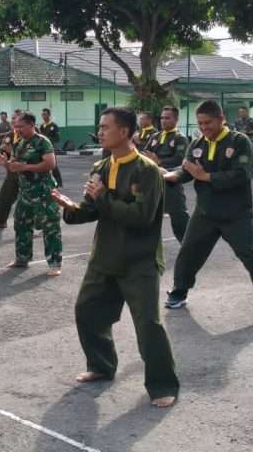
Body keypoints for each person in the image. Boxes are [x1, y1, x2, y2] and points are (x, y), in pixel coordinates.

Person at [53, 106, 179, 408]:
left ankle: (163, 385)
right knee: (87, 311)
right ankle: (101, 365)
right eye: (100, 127)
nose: (100, 132)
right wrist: (70, 208)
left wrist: (103, 198)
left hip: (139, 260)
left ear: (124, 132)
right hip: (105, 256)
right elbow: (91, 209)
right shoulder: (100, 167)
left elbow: (141, 217)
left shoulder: (147, 170)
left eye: (105, 127)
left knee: (148, 325)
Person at [162, 100, 253, 326]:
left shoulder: (239, 141)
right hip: (205, 213)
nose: (204, 127)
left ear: (221, 119)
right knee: (188, 253)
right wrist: (171, 175)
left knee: (252, 257)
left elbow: (242, 174)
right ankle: (179, 293)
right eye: (200, 123)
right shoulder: (197, 143)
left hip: (236, 214)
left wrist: (206, 177)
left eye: (208, 122)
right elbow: (187, 170)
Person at [1, 111, 62, 275]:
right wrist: (6, 164)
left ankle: (54, 263)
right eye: (16, 126)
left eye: (21, 126)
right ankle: (22, 258)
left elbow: (50, 164)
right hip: (25, 192)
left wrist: (25, 167)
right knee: (21, 224)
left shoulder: (42, 142)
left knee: (50, 226)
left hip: (43, 192)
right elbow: (15, 166)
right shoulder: (19, 143)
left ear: (31, 125)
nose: (17, 129)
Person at [141, 105, 190, 241]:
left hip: (171, 184)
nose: (163, 121)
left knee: (179, 219)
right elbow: (145, 155)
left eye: (167, 118)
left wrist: (159, 161)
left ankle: (189, 247)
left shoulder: (180, 138)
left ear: (176, 119)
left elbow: (179, 160)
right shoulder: (155, 136)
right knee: (147, 218)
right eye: (162, 118)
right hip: (152, 183)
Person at [0, 117, 20, 229]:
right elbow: (2, 153)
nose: (14, 123)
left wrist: (11, 150)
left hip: (29, 174)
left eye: (17, 120)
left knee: (33, 201)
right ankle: (1, 222)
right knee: (4, 197)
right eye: (13, 120)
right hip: (12, 173)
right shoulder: (10, 136)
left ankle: (43, 226)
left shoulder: (32, 135)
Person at [39, 108, 64, 188]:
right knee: (43, 164)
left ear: (49, 115)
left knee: (53, 165)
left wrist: (48, 140)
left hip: (50, 147)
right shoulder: (42, 126)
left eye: (45, 114)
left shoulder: (54, 126)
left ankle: (59, 182)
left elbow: (57, 138)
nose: (43, 116)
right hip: (42, 148)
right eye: (42, 114)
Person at [233, 106, 253, 176]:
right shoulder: (237, 121)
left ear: (247, 112)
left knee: (252, 156)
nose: (241, 113)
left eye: (243, 112)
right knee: (242, 156)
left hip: (249, 142)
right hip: (240, 142)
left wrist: (247, 132)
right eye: (240, 112)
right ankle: (243, 171)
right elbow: (234, 131)